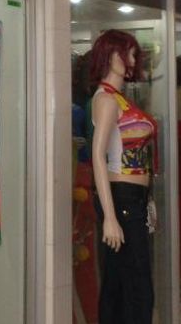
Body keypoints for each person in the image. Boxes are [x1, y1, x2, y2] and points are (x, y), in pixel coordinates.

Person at [90, 29, 156, 324]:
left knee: (122, 283)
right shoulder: (106, 100)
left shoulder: (118, 98)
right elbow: (98, 156)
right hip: (122, 199)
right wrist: (110, 216)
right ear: (112, 55)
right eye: (127, 52)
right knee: (136, 288)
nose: (132, 58)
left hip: (133, 199)